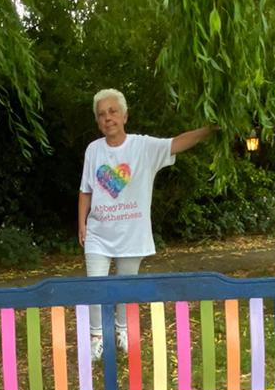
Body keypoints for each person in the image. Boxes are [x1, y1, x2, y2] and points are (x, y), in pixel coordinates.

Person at [78, 89, 213, 355]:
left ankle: (122, 331)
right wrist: (82, 223)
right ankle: (96, 338)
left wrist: (209, 130)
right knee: (96, 286)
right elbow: (86, 190)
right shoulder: (93, 150)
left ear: (125, 116)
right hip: (98, 234)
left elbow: (177, 143)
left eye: (113, 111)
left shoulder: (144, 146)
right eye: (102, 114)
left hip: (131, 234)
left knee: (126, 288)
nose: (108, 118)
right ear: (97, 121)